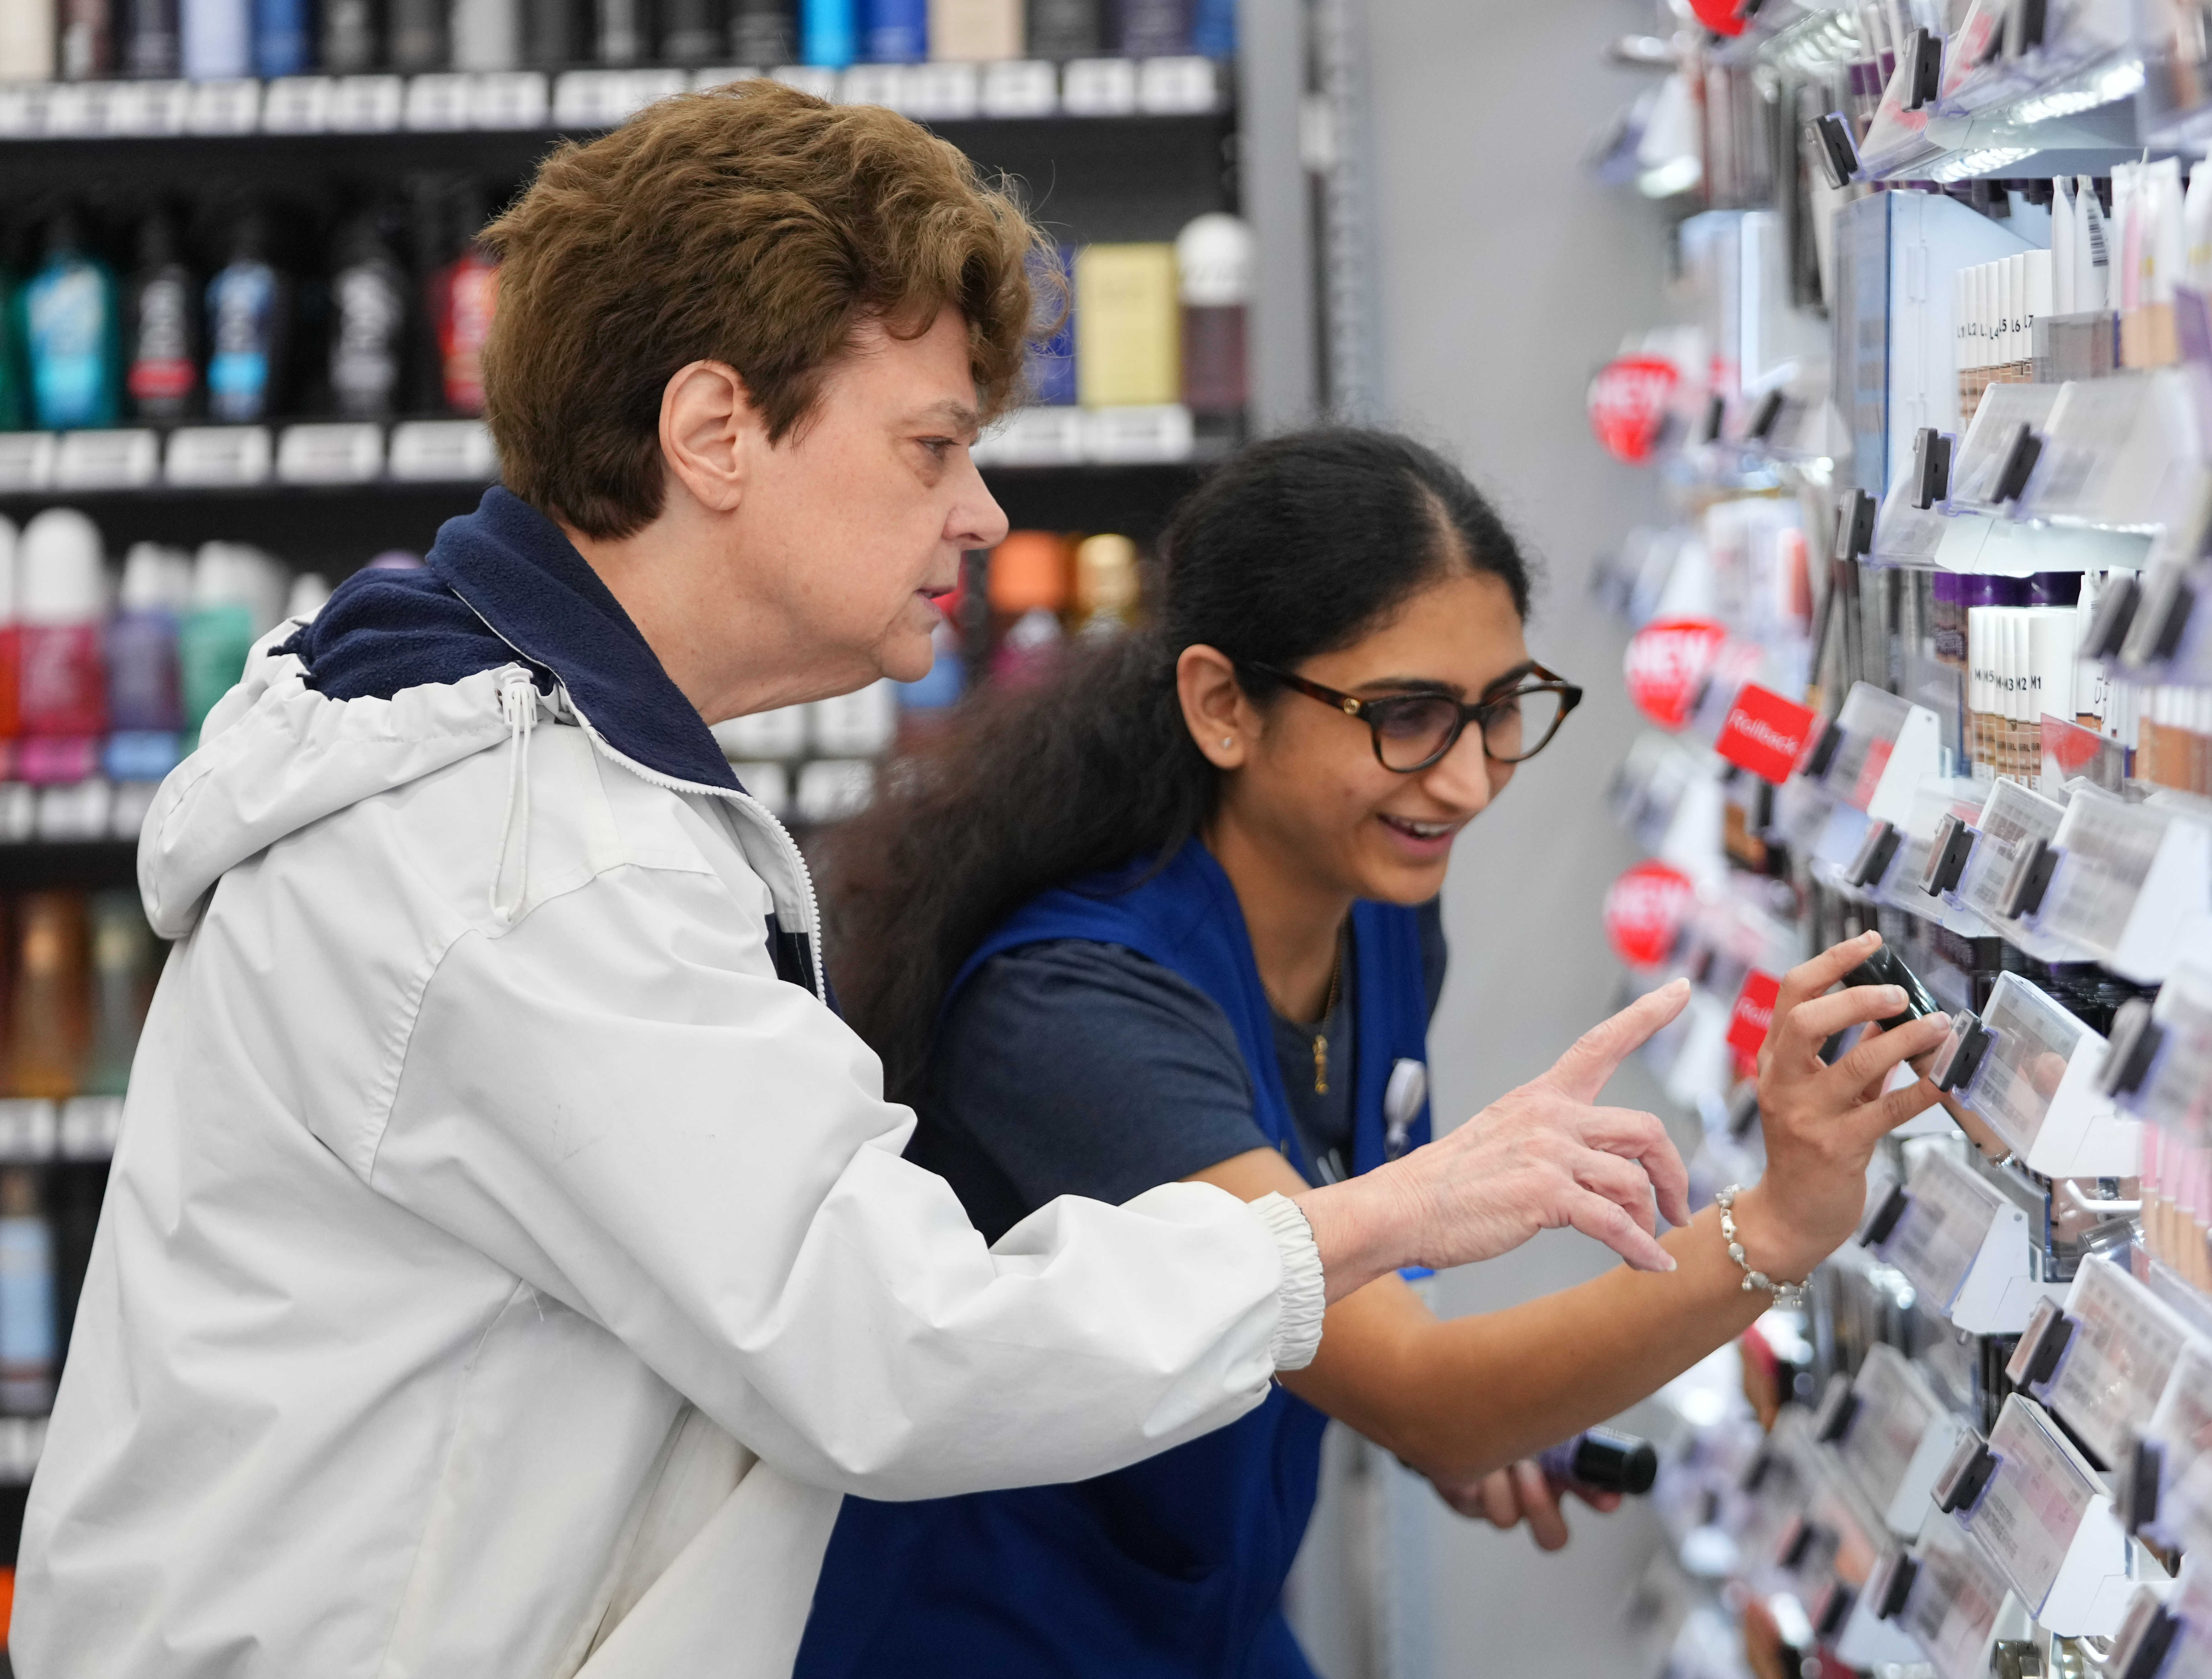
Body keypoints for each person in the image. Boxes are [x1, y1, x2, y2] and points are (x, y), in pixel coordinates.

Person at [12, 88, 1712, 1679]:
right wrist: (1387, 1220)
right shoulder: (521, 859)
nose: (979, 512)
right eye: (931, 446)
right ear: (717, 431)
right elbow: (895, 1349)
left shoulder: (560, 778)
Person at [795, 429, 1958, 1677]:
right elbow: (1417, 1382)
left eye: (1500, 711)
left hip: (1207, 1615)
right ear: (1222, 706)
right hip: (984, 1640)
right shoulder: (1076, 1007)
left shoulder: (1383, 917)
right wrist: (1776, 1224)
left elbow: (1359, 1322)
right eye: (1405, 718)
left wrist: (1492, 1414)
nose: (1463, 781)